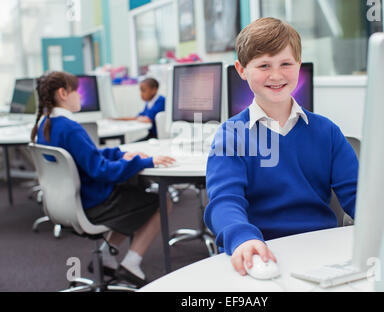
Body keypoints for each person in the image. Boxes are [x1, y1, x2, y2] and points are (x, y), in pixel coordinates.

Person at [204, 17, 359, 276]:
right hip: (262, 251)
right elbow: (224, 201)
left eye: (285, 64)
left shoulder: (326, 131)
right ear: (241, 70)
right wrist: (242, 238)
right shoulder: (231, 135)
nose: (276, 75)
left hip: (323, 250)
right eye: (264, 65)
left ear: (298, 65)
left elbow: (358, 195)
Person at [31, 71, 175, 287]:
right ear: (63, 93)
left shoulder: (46, 125)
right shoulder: (70, 128)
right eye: (76, 92)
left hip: (69, 202)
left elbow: (90, 157)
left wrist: (119, 154)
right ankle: (130, 265)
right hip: (94, 203)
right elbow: (102, 171)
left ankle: (107, 258)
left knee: (133, 193)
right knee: (161, 202)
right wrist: (144, 162)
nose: (80, 97)